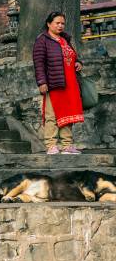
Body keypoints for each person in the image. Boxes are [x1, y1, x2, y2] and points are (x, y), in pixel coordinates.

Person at [32, 11, 84, 154]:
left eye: (62, 23)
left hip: (70, 83)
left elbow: (73, 56)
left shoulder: (65, 39)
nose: (60, 26)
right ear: (49, 24)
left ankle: (67, 145)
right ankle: (51, 145)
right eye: (57, 23)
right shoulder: (42, 40)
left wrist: (78, 63)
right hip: (54, 83)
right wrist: (42, 82)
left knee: (68, 114)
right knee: (52, 115)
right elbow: (39, 63)